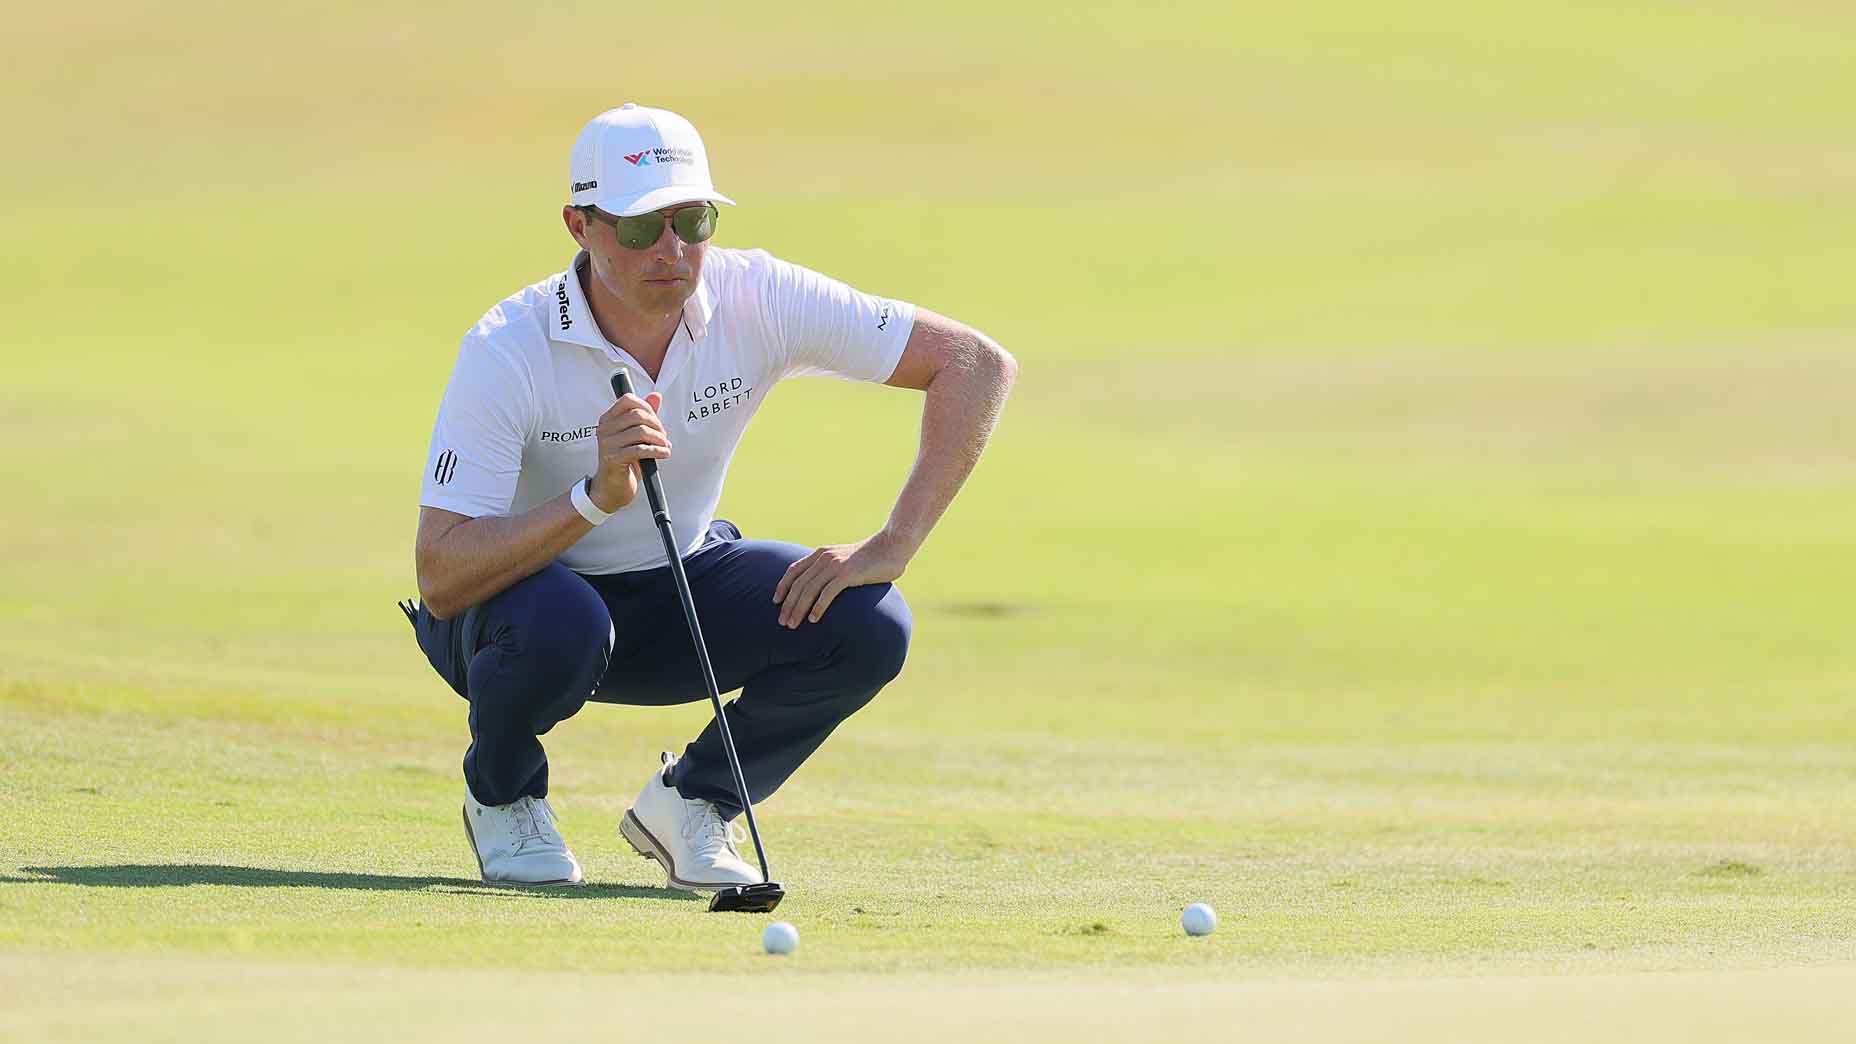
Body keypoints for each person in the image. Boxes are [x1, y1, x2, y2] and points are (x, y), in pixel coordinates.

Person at [401, 103, 1017, 889]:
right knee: (561, 620)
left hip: (676, 593)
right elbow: (441, 576)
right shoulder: (507, 346)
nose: (673, 250)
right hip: (515, 621)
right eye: (640, 228)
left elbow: (974, 363)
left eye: (693, 219)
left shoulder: (756, 294)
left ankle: (691, 803)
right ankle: (504, 796)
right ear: (579, 225)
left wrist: (894, 542)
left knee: (869, 621)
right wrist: (594, 498)